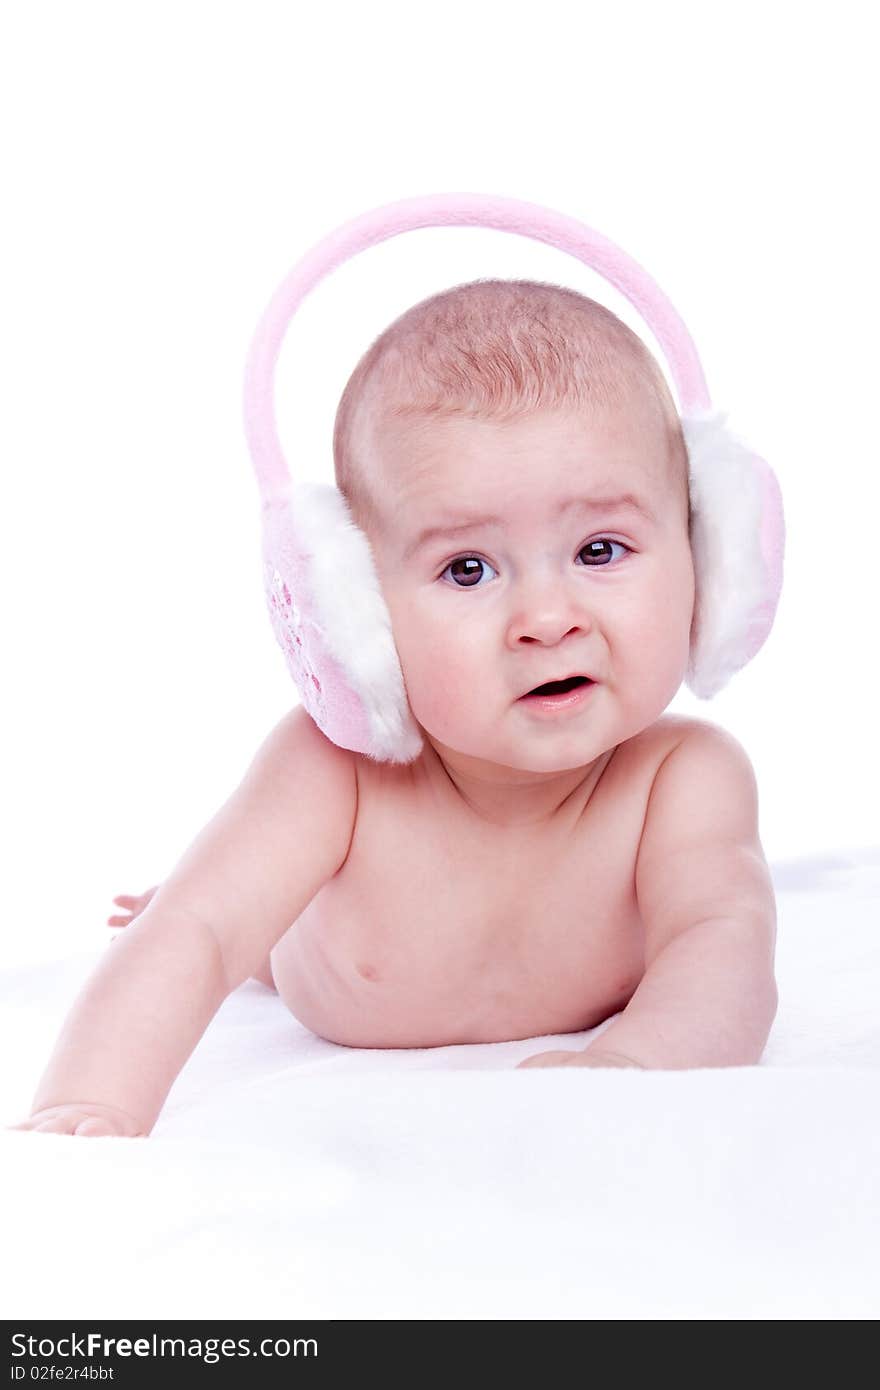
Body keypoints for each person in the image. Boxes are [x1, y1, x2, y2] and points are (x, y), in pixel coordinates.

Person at [12, 278, 777, 1138]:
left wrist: (635, 1063)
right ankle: (254, 901)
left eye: (601, 550)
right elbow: (201, 931)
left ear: (708, 555)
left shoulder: (683, 781)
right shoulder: (335, 776)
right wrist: (88, 1102)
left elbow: (724, 945)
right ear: (355, 615)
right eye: (467, 570)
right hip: (306, 947)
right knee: (228, 914)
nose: (548, 620)